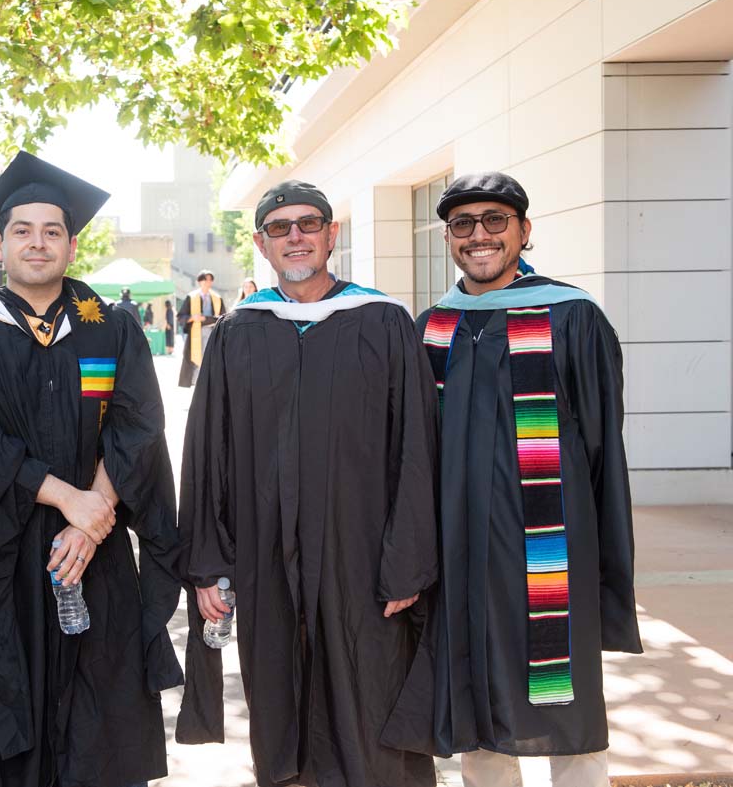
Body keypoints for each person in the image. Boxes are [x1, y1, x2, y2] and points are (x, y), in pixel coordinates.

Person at [176, 179, 440, 787]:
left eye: (309, 224)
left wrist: (409, 561)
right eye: (279, 227)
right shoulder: (239, 332)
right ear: (262, 245)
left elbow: (417, 448)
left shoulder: (382, 322)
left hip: (364, 560)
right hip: (267, 559)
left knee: (371, 707)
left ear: (331, 234)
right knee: (280, 707)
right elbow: (206, 455)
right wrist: (210, 563)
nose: (295, 236)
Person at [0, 151, 181, 787]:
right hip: (3, 554)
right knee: (11, 707)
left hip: (94, 553)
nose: (37, 243)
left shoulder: (110, 327)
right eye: (22, 230)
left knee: (103, 711)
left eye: (52, 231)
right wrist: (65, 500)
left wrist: (92, 516)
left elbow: (136, 424)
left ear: (73, 244)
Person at [390, 172, 641, 786]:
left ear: (524, 231)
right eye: (463, 224)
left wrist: (604, 560)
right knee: (473, 696)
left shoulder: (572, 315)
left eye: (495, 220)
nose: (479, 235)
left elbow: (604, 445)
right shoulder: (433, 326)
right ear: (449, 237)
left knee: (566, 703)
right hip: (459, 554)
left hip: (548, 549)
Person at [176, 270, 223, 387]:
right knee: (196, 358)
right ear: (199, 282)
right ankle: (197, 384)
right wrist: (192, 317)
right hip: (195, 334)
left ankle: (209, 383)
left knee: (211, 358)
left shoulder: (217, 298)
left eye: (209, 279)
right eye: (204, 279)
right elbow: (181, 316)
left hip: (212, 332)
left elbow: (223, 317)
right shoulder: (191, 297)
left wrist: (205, 319)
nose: (207, 282)